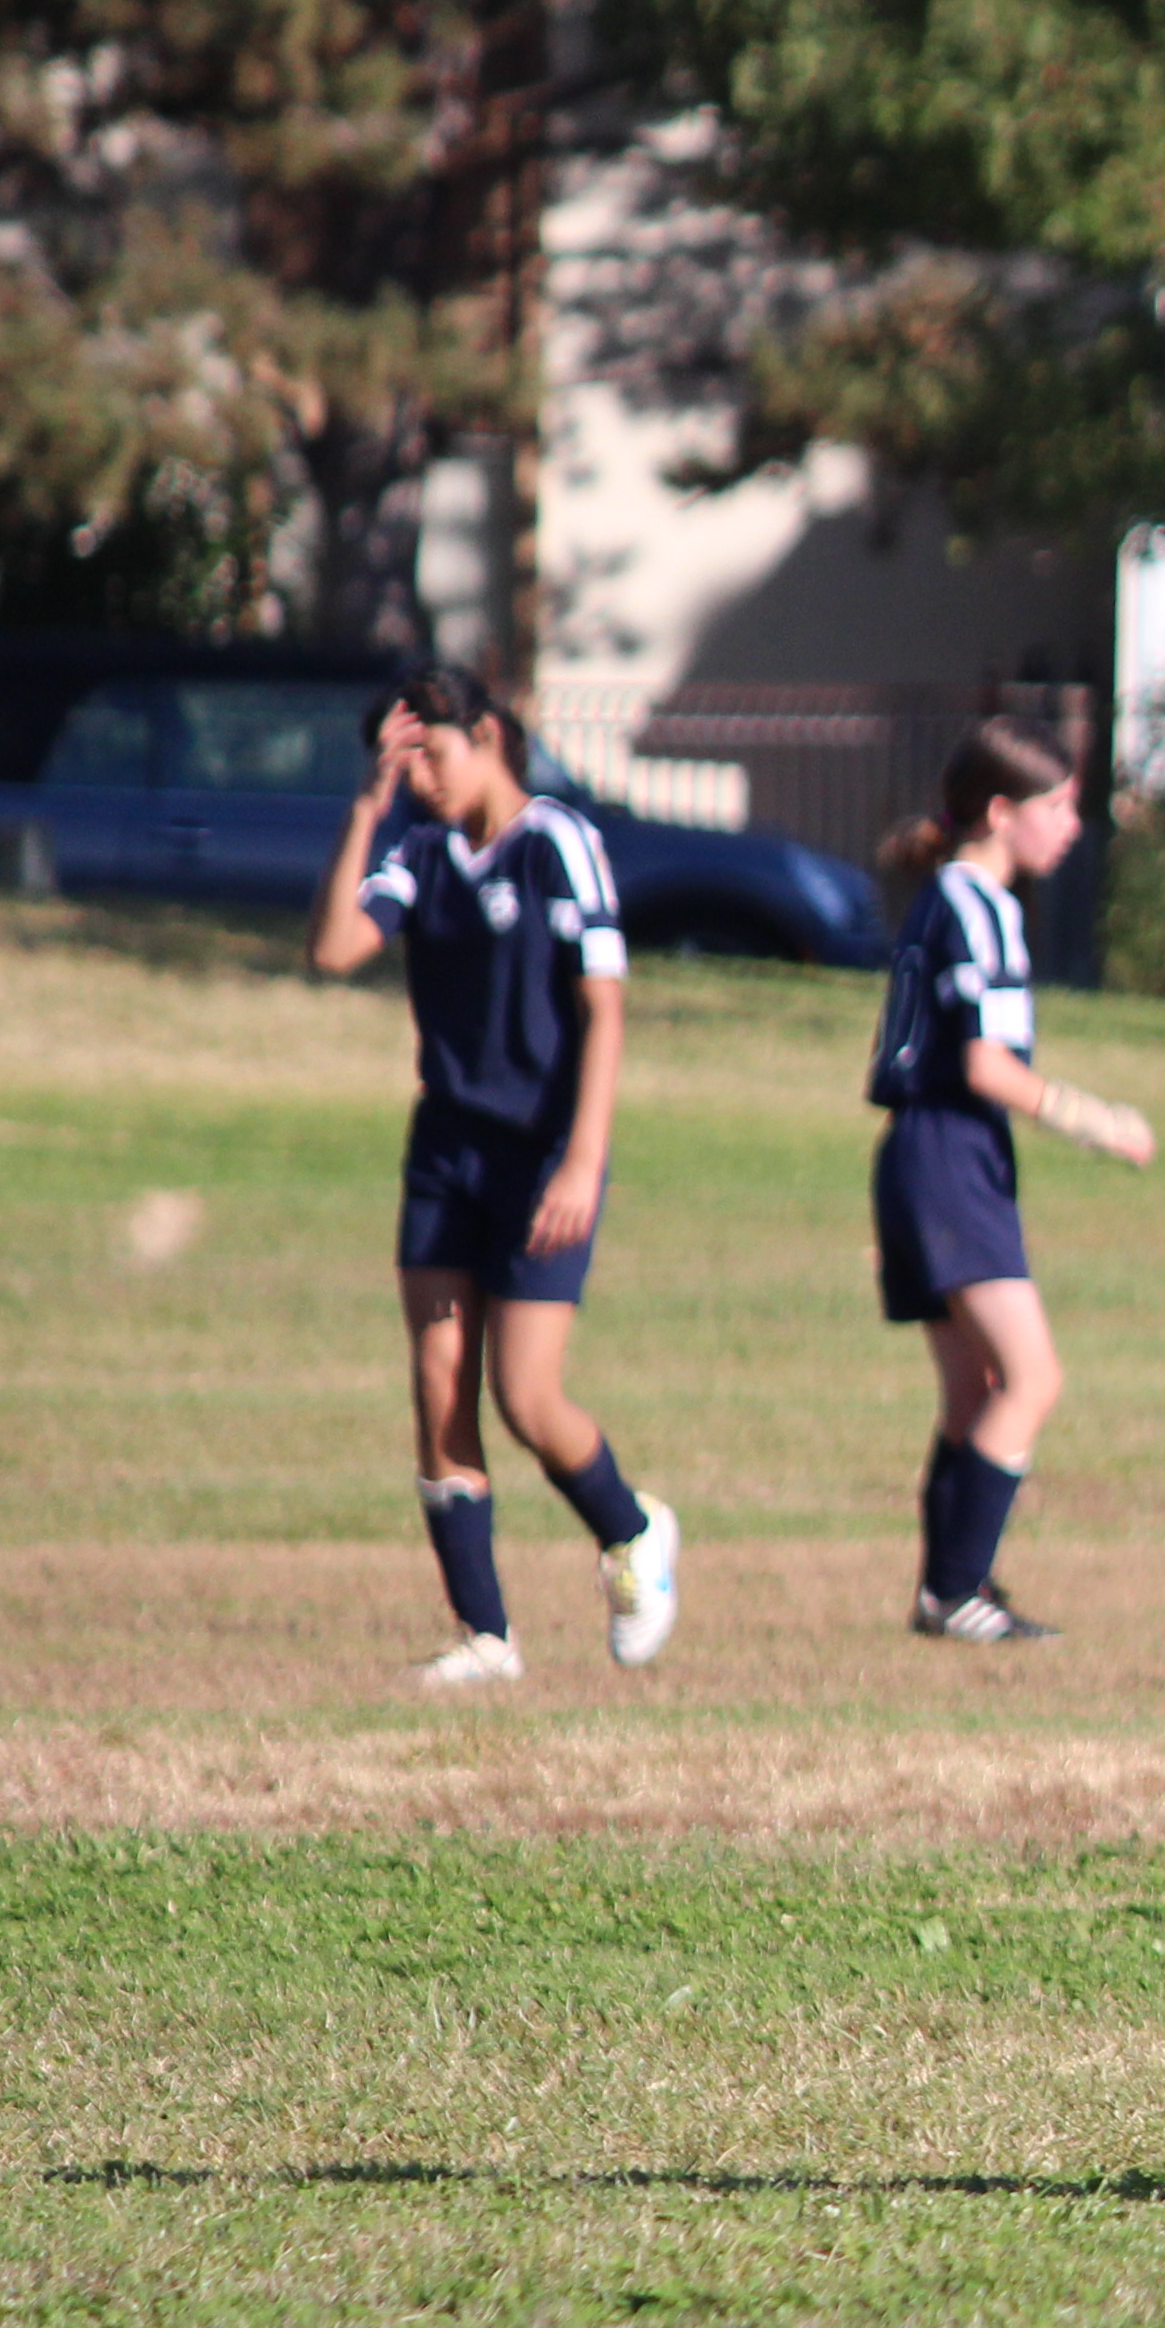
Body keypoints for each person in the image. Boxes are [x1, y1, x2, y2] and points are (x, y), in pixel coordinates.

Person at [305, 663, 683, 1686]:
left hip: (542, 1155)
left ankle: (632, 1531)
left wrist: (585, 1160)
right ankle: (486, 1636)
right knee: (439, 1389)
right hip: (445, 1153)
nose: (421, 776)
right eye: (403, 761)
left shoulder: (558, 843)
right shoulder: (418, 852)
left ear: (487, 737)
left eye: (431, 753)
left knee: (525, 1395)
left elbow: (605, 1011)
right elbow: (335, 947)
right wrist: (366, 806)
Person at [869, 718, 1154, 1642]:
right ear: (1000, 812)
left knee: (975, 1390)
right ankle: (957, 1595)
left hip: (919, 1152)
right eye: (1057, 806)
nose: (1072, 825)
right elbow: (986, 1065)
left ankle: (948, 1593)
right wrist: (1096, 1120)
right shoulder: (980, 905)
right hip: (950, 1155)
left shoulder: (944, 897)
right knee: (1031, 1379)